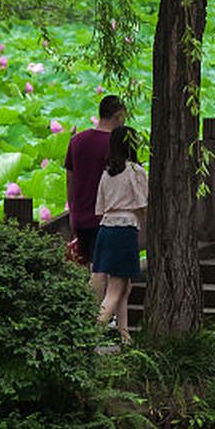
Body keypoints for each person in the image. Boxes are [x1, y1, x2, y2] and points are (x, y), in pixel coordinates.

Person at [91, 126, 149, 343]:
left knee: (124, 286)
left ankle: (125, 336)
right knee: (115, 289)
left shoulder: (107, 173)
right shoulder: (135, 171)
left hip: (106, 228)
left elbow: (100, 207)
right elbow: (144, 204)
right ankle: (90, 337)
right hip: (125, 229)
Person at [65, 94, 126, 299]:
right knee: (103, 272)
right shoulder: (116, 145)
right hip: (106, 217)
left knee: (89, 267)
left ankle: (88, 314)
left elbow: (69, 180)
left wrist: (72, 213)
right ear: (118, 116)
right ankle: (99, 318)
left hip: (80, 216)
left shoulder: (77, 141)